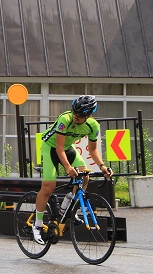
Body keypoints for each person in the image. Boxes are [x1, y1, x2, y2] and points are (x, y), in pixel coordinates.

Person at [32, 95, 113, 245]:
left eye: (80, 115)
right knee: (49, 187)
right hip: (51, 147)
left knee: (85, 175)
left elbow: (93, 150)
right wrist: (68, 167)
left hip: (68, 148)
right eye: (75, 112)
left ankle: (67, 209)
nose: (76, 117)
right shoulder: (65, 119)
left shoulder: (93, 126)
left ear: (88, 116)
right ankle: (36, 225)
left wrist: (102, 166)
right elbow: (59, 147)